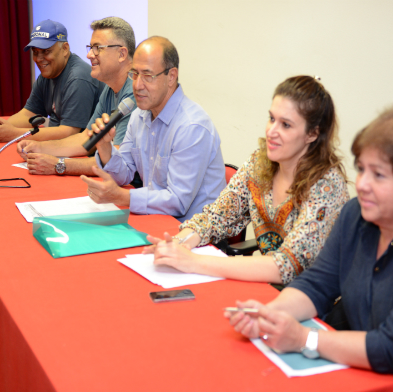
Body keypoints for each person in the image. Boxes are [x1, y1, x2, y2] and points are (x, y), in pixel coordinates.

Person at [227, 105, 393, 392]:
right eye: (361, 169)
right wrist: (270, 314)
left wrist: (304, 339)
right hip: (359, 377)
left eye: (379, 175)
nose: (362, 184)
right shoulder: (356, 215)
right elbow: (317, 283)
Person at [143, 76, 349, 285]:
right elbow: (215, 218)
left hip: (314, 305)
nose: (271, 131)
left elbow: (285, 265)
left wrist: (193, 262)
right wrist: (177, 244)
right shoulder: (259, 165)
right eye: (271, 118)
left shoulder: (327, 186)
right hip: (268, 289)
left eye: (286, 125)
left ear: (312, 134)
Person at [80, 36, 225, 222]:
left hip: (194, 234)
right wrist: (105, 146)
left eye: (147, 76)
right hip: (156, 219)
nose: (137, 85)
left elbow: (178, 202)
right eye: (134, 74)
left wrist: (123, 197)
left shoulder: (192, 126)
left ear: (171, 77)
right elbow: (123, 174)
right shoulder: (138, 115)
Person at [16, 17, 136, 177]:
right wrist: (38, 147)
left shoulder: (136, 93)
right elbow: (87, 139)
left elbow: (118, 162)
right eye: (90, 47)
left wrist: (59, 165)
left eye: (97, 48)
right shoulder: (109, 88)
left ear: (122, 54)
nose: (89, 55)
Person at [0, 19, 104, 143]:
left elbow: (69, 132)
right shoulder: (47, 74)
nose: (39, 59)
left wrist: (13, 134)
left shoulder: (78, 78)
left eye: (46, 51)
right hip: (61, 147)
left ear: (65, 49)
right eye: (35, 52)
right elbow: (28, 114)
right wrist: (2, 127)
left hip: (85, 153)